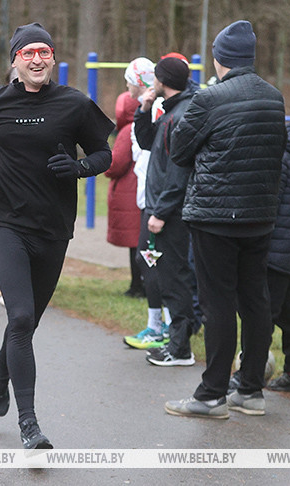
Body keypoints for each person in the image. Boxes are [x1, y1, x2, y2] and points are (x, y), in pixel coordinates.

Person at [0, 23, 114, 448]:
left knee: (25, 326)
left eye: (43, 52)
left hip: (53, 226)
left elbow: (105, 151)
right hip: (5, 220)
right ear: (15, 60)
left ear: (52, 58)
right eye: (27, 52)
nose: (36, 59)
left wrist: (81, 168)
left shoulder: (74, 104)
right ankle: (29, 425)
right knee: (22, 317)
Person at [166, 20, 287, 418]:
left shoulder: (210, 98)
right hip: (259, 215)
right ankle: (250, 389)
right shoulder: (274, 97)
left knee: (217, 303)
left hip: (215, 216)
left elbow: (179, 152)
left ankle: (211, 394)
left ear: (218, 58)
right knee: (256, 300)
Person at [230, 123, 290, 394]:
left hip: (274, 251)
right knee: (288, 311)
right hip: (288, 250)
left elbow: (266, 206)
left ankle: (248, 375)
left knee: (261, 316)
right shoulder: (287, 152)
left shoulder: (276, 159)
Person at [133, 57, 198, 367]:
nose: (151, 84)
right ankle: (175, 337)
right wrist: (143, 110)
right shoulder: (170, 111)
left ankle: (181, 346)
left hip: (168, 210)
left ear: (164, 81)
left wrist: (161, 212)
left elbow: (178, 172)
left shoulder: (182, 116)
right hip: (158, 205)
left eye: (156, 79)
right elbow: (147, 141)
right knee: (152, 263)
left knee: (173, 274)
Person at [121, 57, 173, 350]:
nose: (126, 85)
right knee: (148, 259)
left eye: (129, 79)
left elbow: (155, 156)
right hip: (148, 198)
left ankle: (162, 326)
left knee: (150, 259)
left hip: (157, 199)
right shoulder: (145, 110)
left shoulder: (156, 110)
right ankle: (161, 323)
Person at [104, 90, 142, 296]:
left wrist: (105, 163)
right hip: (138, 190)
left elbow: (116, 163)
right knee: (141, 243)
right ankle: (141, 285)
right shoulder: (147, 123)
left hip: (130, 193)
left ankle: (137, 286)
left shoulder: (127, 131)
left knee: (135, 245)